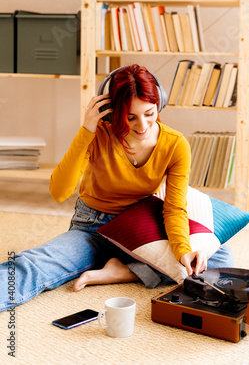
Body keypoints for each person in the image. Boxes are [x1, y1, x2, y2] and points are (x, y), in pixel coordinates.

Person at [0, 64, 233, 312]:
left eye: (149, 113)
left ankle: (125, 271)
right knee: (34, 264)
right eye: (130, 117)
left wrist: (183, 251)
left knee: (217, 257)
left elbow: (174, 208)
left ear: (160, 104)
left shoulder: (175, 145)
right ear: (112, 112)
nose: (142, 125)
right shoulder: (98, 134)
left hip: (141, 227)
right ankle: (130, 267)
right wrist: (87, 129)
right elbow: (59, 192)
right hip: (94, 227)